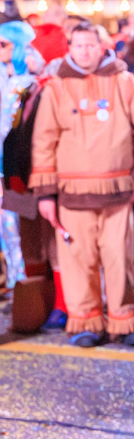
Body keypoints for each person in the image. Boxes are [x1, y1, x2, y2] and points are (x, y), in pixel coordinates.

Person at [30, 23, 134, 347]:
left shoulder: (125, 81)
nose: (85, 52)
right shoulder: (56, 88)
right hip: (71, 195)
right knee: (78, 262)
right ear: (70, 49)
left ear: (102, 47)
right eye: (79, 46)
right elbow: (43, 142)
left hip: (119, 192)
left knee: (122, 259)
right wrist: (45, 195)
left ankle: (125, 321)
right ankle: (86, 322)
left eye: (91, 46)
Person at [0, 19, 44, 289]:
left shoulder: (34, 79)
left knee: (26, 222)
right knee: (4, 223)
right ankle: (15, 279)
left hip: (23, 164)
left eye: (3, 43)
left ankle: (32, 278)